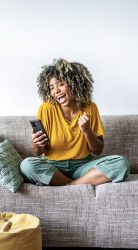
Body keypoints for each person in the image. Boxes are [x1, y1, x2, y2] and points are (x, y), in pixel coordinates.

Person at [20, 58, 130, 186]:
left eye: (61, 84)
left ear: (75, 84)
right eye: (52, 87)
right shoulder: (46, 108)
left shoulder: (90, 108)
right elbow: (37, 152)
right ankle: (78, 185)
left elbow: (98, 150)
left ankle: (68, 186)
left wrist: (87, 131)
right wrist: (36, 142)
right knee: (26, 165)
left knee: (121, 163)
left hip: (82, 167)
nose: (56, 91)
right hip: (53, 167)